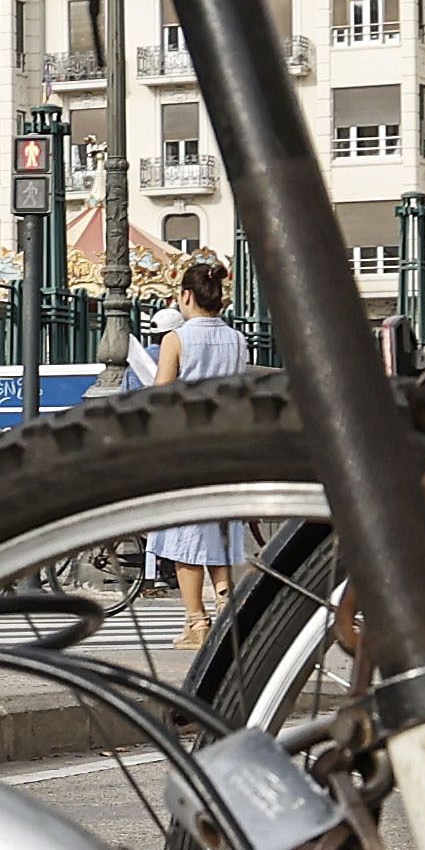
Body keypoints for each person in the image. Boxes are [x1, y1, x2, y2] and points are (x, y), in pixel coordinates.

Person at [138, 259, 261, 644]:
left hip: (186, 446)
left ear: (186, 296)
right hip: (225, 446)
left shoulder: (177, 339)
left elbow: (162, 395)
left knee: (183, 537)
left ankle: (196, 622)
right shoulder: (237, 340)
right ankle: (225, 608)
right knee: (218, 530)